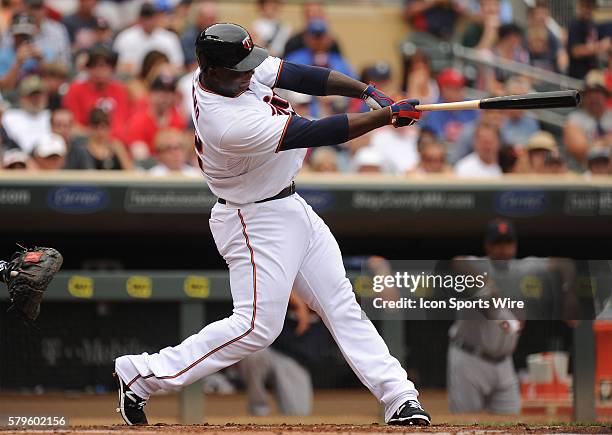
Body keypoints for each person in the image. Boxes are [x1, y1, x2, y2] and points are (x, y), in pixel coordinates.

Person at [114, 22, 430, 427]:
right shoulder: (224, 122)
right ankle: (141, 375)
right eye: (241, 69)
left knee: (340, 303)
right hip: (253, 218)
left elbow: (299, 76)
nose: (250, 73)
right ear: (212, 71)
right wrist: (385, 117)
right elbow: (317, 131)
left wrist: (366, 91)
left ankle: (399, 397)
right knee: (256, 326)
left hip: (288, 204)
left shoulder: (228, 71)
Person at [63, 44, 131, 141]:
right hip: (86, 143)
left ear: (111, 68)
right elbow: (73, 125)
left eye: (104, 66)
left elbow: (122, 124)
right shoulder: (75, 90)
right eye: (94, 65)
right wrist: (97, 136)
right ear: (88, 68)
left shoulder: (119, 90)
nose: (99, 70)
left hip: (115, 143)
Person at [124, 73, 186, 160]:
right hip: (148, 169)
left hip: (174, 169)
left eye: (169, 92)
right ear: (151, 93)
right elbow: (139, 156)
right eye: (161, 91)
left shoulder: (179, 119)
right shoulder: (139, 121)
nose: (165, 96)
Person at [112, 2, 183, 76]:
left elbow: (178, 66)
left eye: (151, 17)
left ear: (157, 18)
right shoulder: (125, 37)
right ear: (139, 18)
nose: (148, 21)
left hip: (161, 79)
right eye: (145, 17)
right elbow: (117, 67)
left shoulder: (169, 38)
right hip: (133, 79)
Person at [564, 75, 612, 166]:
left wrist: (593, 145)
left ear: (605, 96)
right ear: (584, 97)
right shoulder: (574, 118)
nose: (594, 98)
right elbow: (580, 150)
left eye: (598, 93)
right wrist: (606, 142)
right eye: (589, 93)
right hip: (581, 172)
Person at [420, 68, 478, 144]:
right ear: (443, 89)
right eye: (453, 88)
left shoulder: (471, 106)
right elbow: (436, 138)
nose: (458, 92)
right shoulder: (435, 109)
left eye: (460, 87)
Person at [1, 74, 50, 154]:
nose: (36, 99)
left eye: (39, 95)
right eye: (31, 95)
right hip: (17, 161)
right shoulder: (9, 116)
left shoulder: (51, 116)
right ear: (22, 97)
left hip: (48, 159)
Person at [567, 0, 610, 80]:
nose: (588, 10)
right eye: (586, 6)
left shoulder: (592, 23)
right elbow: (575, 51)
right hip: (579, 75)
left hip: (594, 70)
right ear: (580, 6)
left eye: (590, 7)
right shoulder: (575, 25)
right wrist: (599, 46)